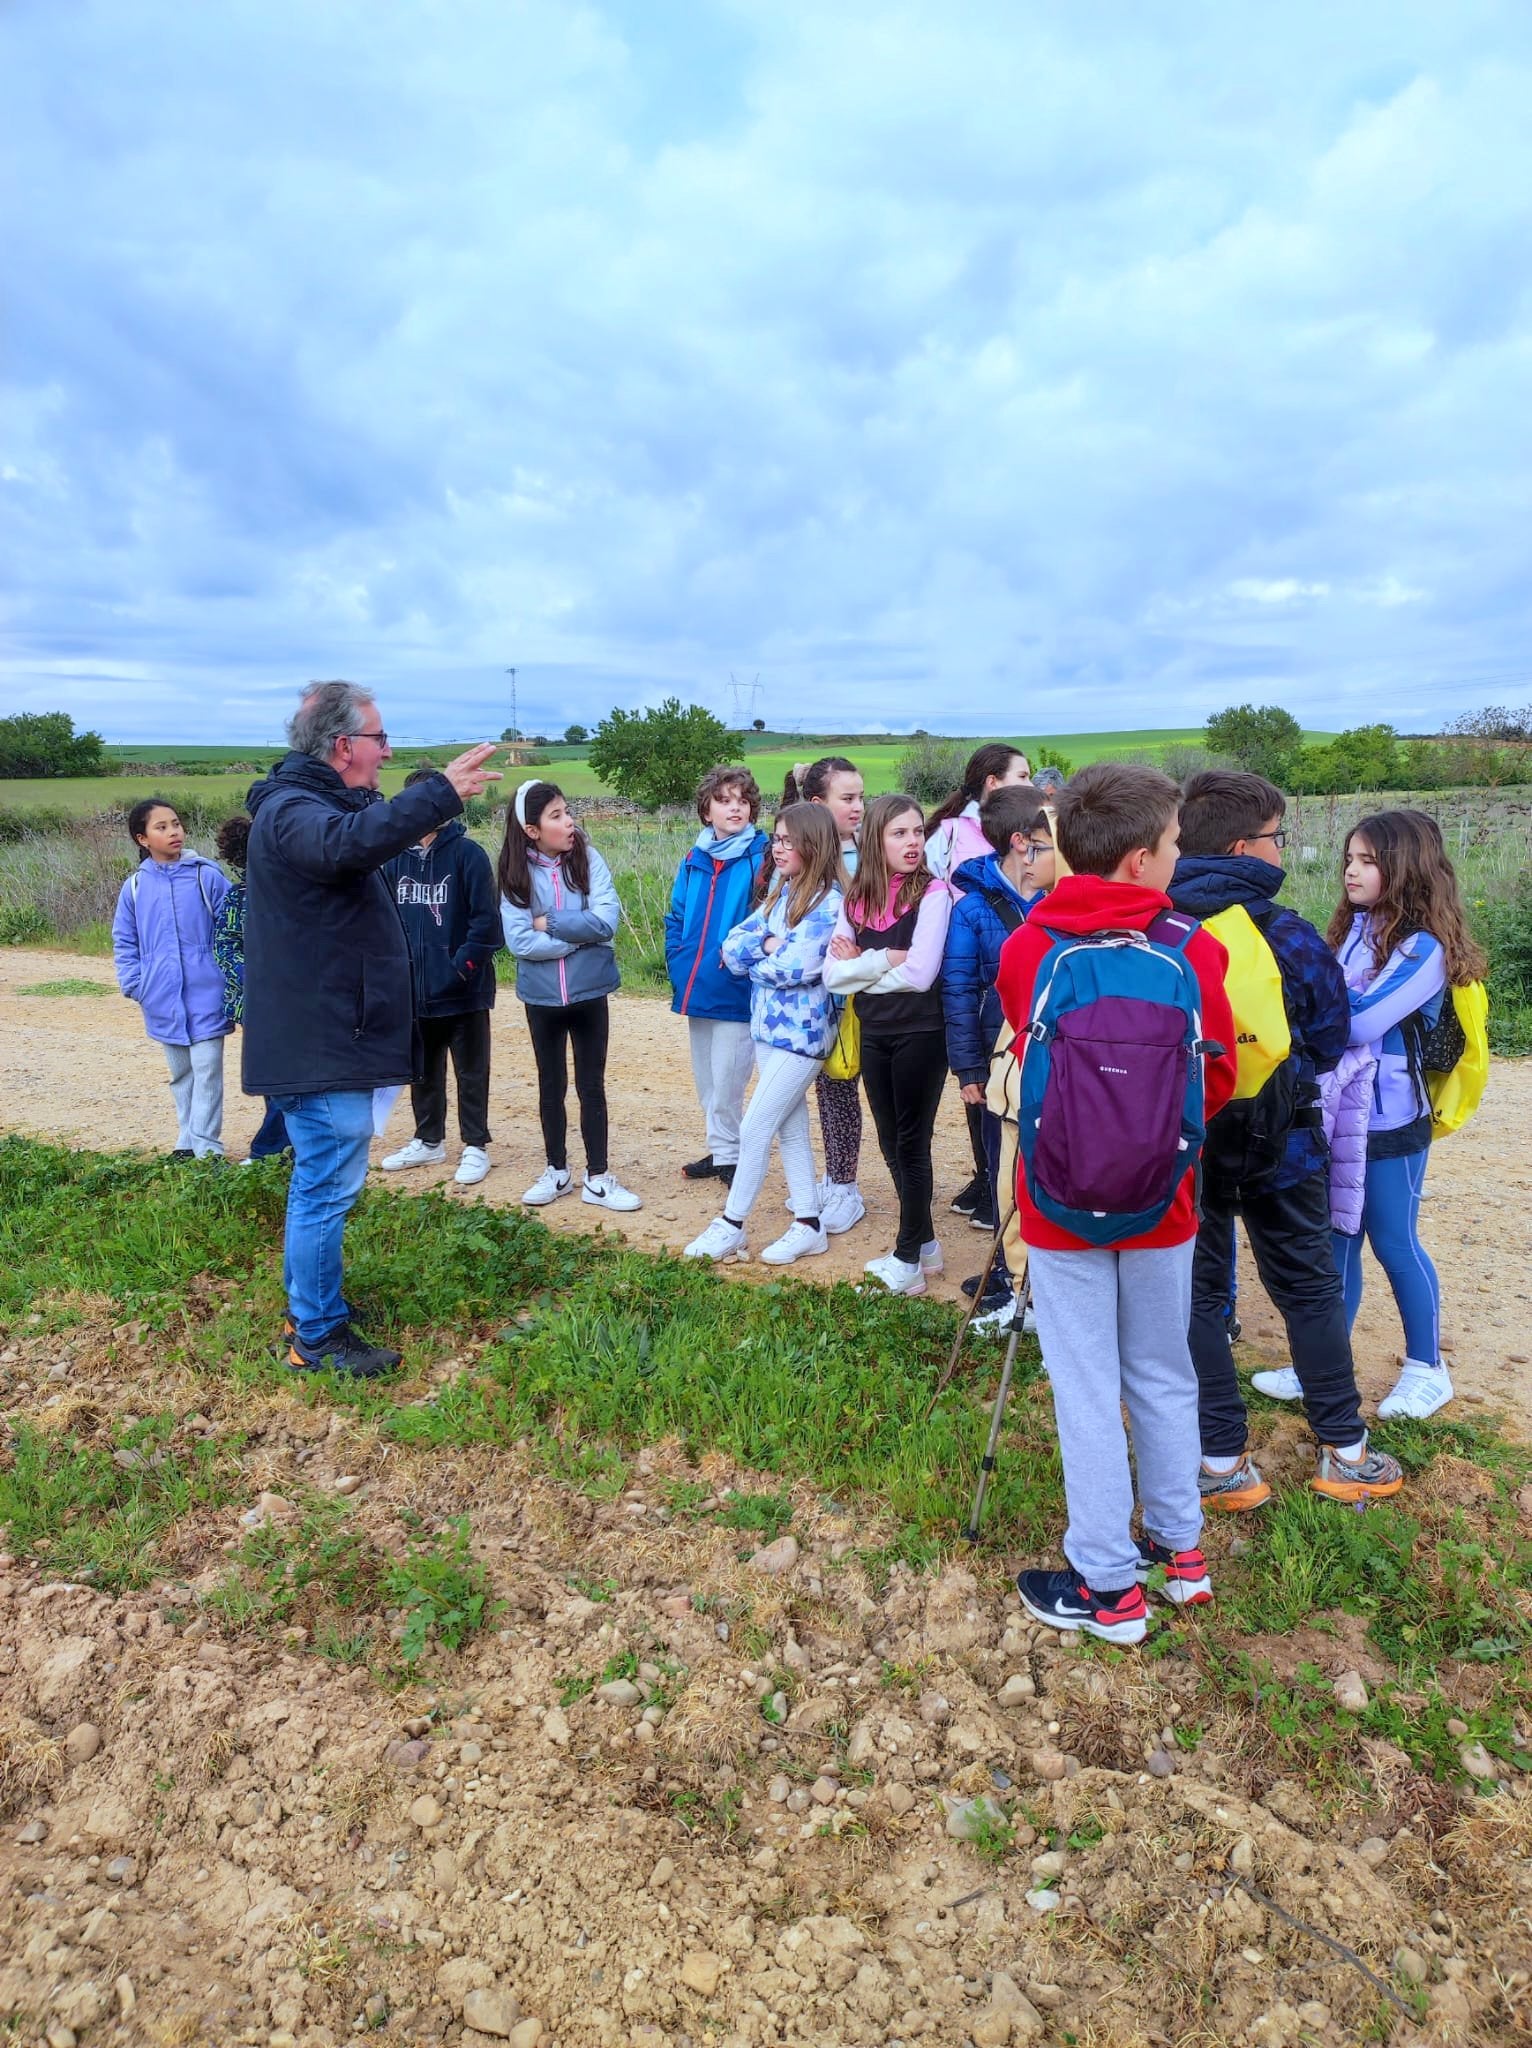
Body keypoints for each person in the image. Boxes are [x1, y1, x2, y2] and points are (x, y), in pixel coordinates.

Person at [994, 762, 1238, 1643]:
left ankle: (1107, 1585)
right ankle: (1181, 1556)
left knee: (1086, 1384)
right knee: (1164, 1373)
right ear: (1141, 859)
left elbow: (1028, 1058)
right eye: (1174, 844)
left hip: (1059, 1205)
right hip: (1164, 1203)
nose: (1179, 857)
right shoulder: (1192, 948)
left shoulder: (1029, 947)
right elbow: (1218, 1077)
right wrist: (1155, 1144)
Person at [243, 682, 501, 1378]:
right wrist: (438, 793)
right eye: (380, 738)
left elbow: (354, 839)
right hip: (320, 1040)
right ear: (343, 745)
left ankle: (313, 1310)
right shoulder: (296, 810)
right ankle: (318, 1338)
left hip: (327, 1033)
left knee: (322, 1183)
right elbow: (344, 846)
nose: (388, 751)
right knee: (325, 1186)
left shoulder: (309, 803)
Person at [1170, 773, 1405, 1508]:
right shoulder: (1290, 935)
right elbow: (1333, 1036)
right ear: (1245, 847)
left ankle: (1220, 1465)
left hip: (1186, 1144)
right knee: (1308, 1288)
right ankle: (1345, 1449)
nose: (1285, 848)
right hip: (1285, 1144)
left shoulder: (1161, 928)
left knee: (1200, 1295)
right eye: (1278, 836)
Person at [1319, 809, 1487, 1420]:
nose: (1351, 871)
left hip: (1392, 1123)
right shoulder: (1355, 929)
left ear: (1406, 867)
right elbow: (1348, 1005)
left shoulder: (1425, 947)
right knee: (1337, 1242)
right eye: (1350, 858)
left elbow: (1360, 1021)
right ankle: (1326, 1363)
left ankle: (1427, 1369)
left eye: (1368, 861)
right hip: (1340, 1114)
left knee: (1394, 1243)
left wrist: (1318, 1001)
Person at [683, 803, 845, 1264]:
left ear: (814, 846)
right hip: (768, 1031)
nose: (778, 848)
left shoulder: (828, 902)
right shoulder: (782, 891)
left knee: (755, 1127)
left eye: (789, 841)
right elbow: (732, 945)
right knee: (791, 1130)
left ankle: (731, 1224)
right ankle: (810, 1223)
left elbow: (797, 968)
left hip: (802, 1038)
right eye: (776, 838)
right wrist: (768, 947)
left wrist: (766, 953)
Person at [825, 793, 953, 1295]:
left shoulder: (934, 893)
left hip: (921, 1033)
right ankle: (924, 1245)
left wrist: (862, 965)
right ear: (875, 839)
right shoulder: (855, 900)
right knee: (887, 1140)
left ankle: (906, 1260)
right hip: (875, 1033)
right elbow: (832, 977)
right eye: (899, 833)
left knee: (912, 1145)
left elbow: (921, 975)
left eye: (918, 832)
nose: (913, 842)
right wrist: (882, 961)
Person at [499, 780, 641, 1213]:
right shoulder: (513, 873)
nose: (569, 822)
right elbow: (520, 943)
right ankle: (556, 1169)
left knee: (591, 1086)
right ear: (531, 829)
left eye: (568, 811)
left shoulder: (589, 859)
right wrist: (579, 940)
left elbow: (607, 922)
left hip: (588, 993)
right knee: (550, 1084)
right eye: (556, 815)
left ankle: (598, 1177)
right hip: (541, 999)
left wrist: (552, 923)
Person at [941, 787, 1056, 1316]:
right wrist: (967, 1066)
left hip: (1054, 1061)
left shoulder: (1065, 898)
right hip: (997, 1061)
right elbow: (959, 989)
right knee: (1001, 1167)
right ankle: (1011, 1276)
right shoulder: (972, 908)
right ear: (1023, 844)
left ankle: (1041, 1277)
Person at [380, 768, 503, 1187]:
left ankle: (475, 1145)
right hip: (412, 989)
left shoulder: (468, 855)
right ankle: (428, 1139)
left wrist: (460, 969)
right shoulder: (391, 860)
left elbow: (487, 926)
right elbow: (381, 922)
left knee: (471, 1070)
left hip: (462, 990)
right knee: (423, 1069)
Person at [665, 766, 770, 1187]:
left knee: (730, 1077)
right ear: (706, 810)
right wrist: (678, 956)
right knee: (706, 1077)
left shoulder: (762, 856)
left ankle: (736, 1158)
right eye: (725, 800)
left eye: (742, 801)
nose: (735, 808)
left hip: (736, 984)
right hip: (696, 980)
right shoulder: (695, 858)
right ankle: (723, 1152)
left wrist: (741, 961)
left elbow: (768, 918)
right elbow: (675, 914)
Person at [112, 797, 233, 1160]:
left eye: (176, 824)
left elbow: (231, 930)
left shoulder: (205, 875)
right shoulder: (134, 887)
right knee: (181, 1073)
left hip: (208, 993)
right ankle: (186, 1141)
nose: (173, 832)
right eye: (161, 827)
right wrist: (136, 983)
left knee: (208, 1069)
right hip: (160, 996)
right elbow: (124, 938)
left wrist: (227, 978)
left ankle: (207, 1149)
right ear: (142, 839)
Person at [789, 756, 868, 1236]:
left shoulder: (871, 851)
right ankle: (835, 1178)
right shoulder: (801, 857)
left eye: (861, 796)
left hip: (862, 994)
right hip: (815, 993)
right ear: (816, 805)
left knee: (845, 1086)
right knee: (828, 1086)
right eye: (848, 798)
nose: (859, 807)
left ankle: (845, 1186)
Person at [212, 814, 289, 1161]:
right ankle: (279, 1147)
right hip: (257, 1003)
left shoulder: (290, 894)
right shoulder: (238, 898)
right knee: (273, 1079)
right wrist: (249, 976)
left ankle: (271, 1149)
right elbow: (225, 945)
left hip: (294, 998)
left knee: (287, 1079)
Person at [923, 743, 1032, 884]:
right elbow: (926, 892)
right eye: (1022, 776)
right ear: (992, 782)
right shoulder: (949, 834)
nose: (1031, 786)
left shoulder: (1031, 833)